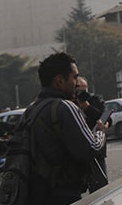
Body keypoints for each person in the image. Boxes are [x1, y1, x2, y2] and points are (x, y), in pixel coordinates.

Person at [26, 52, 107, 204]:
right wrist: (100, 131)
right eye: (74, 77)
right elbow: (90, 149)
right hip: (63, 194)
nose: (77, 84)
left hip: (34, 194)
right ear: (59, 81)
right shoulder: (64, 107)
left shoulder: (30, 111)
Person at [75, 76, 108, 192]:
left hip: (96, 152)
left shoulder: (95, 100)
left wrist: (87, 106)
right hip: (77, 153)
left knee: (100, 189)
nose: (81, 94)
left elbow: (104, 118)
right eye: (78, 91)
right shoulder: (69, 104)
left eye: (84, 91)